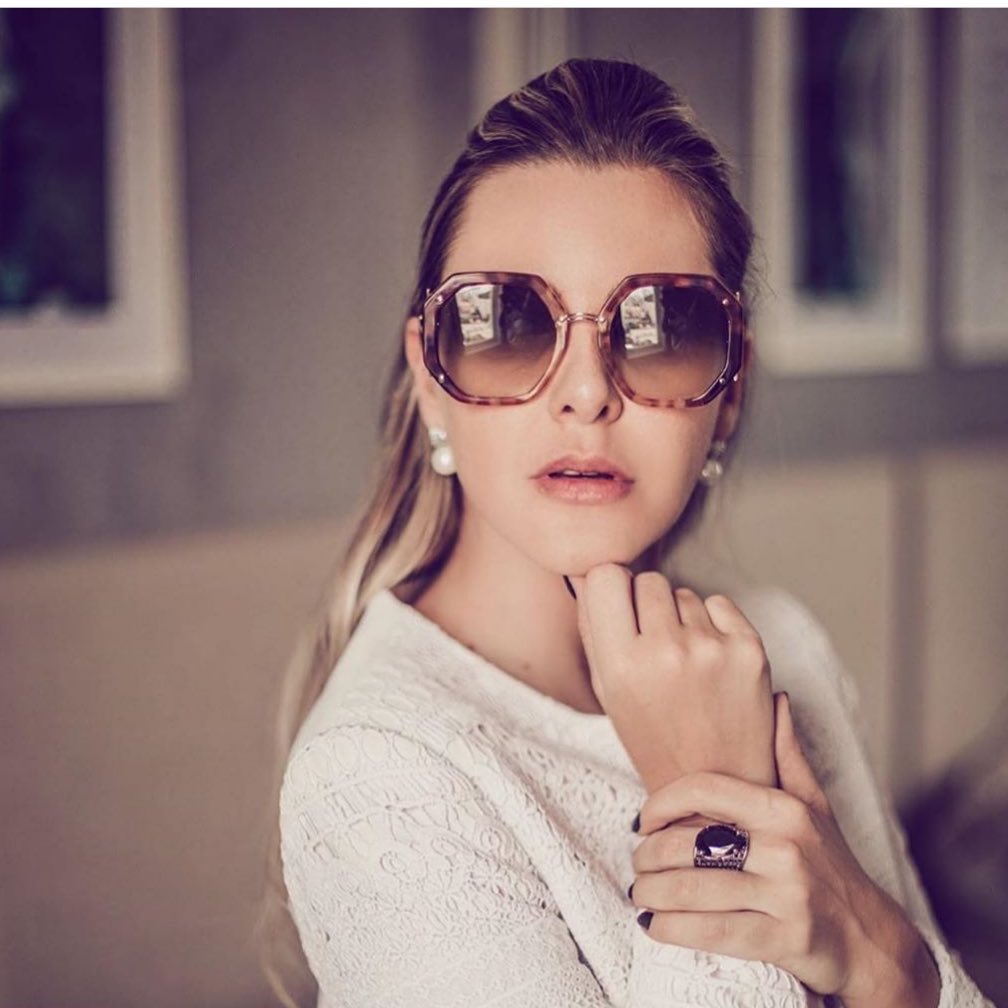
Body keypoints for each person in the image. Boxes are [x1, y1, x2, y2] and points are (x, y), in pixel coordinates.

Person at [268, 59, 992, 1007]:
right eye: (508, 321)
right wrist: (711, 790)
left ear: (730, 393)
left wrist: (893, 967)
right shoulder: (379, 769)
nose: (586, 392)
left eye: (660, 326)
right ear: (431, 379)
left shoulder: (783, 651)